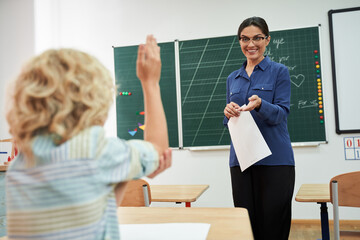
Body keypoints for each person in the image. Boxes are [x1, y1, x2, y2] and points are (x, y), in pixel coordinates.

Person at [5, 35, 172, 239]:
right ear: (94, 101)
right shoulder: (98, 153)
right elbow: (158, 150)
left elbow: (99, 211)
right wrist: (150, 83)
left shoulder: (20, 165)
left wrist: (124, 172)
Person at [223, 17, 295, 240]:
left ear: (267, 40)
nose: (250, 44)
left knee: (273, 225)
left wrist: (262, 105)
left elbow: (282, 113)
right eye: (245, 39)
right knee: (246, 226)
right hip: (242, 161)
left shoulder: (279, 71)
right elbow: (230, 122)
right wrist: (227, 113)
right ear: (239, 41)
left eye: (257, 38)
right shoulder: (232, 78)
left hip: (275, 160)